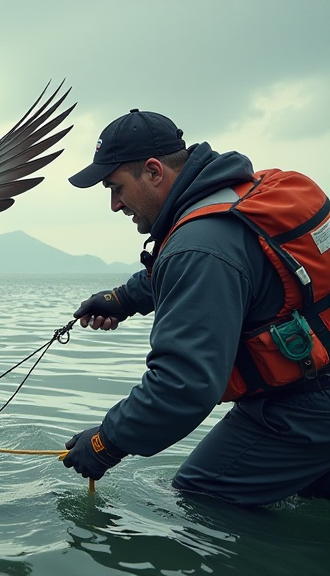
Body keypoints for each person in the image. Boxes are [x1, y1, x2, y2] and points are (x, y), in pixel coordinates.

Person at [61, 109, 330, 506]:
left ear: (154, 172)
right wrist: (123, 300)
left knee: (200, 494)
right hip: (317, 386)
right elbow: (226, 268)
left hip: (305, 405)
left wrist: (105, 442)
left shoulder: (199, 245)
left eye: (115, 187)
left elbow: (181, 388)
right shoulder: (239, 195)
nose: (115, 205)